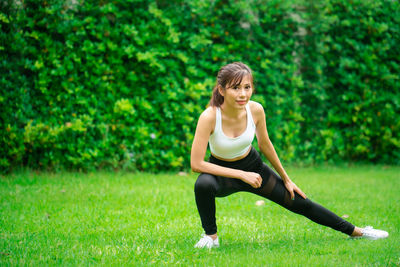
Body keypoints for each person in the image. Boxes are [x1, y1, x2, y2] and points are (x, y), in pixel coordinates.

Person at [190, 62, 388, 249]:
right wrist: (241, 175)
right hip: (221, 173)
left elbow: (265, 144)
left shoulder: (256, 110)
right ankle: (211, 237)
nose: (243, 94)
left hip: (253, 167)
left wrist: (286, 179)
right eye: (236, 88)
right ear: (222, 90)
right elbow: (196, 163)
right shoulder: (209, 116)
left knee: (301, 203)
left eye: (247, 87)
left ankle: (357, 232)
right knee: (203, 184)